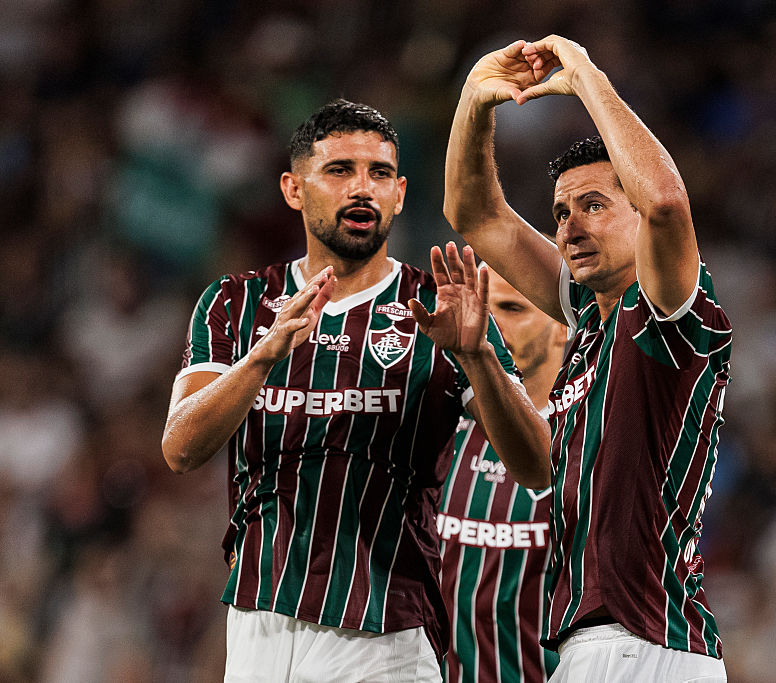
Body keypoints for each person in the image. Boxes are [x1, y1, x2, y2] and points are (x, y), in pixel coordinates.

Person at [161, 99, 550, 682]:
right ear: (294, 189)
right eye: (340, 170)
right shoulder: (235, 304)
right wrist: (262, 358)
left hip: (386, 631)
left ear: (398, 193)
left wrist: (477, 356)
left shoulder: (438, 305)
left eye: (380, 173)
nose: (362, 188)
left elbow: (539, 464)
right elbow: (181, 449)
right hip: (258, 624)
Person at [444, 37, 732, 681]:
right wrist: (477, 95)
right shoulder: (588, 326)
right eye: (560, 213)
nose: (570, 226)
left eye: (595, 206)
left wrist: (586, 77)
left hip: (643, 641)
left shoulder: (669, 317)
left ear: (635, 219)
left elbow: (664, 202)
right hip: (599, 644)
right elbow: (474, 213)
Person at [438, 270, 565, 682]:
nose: (488, 325)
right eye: (484, 309)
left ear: (568, 328)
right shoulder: (435, 433)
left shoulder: (587, 445)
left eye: (512, 309)